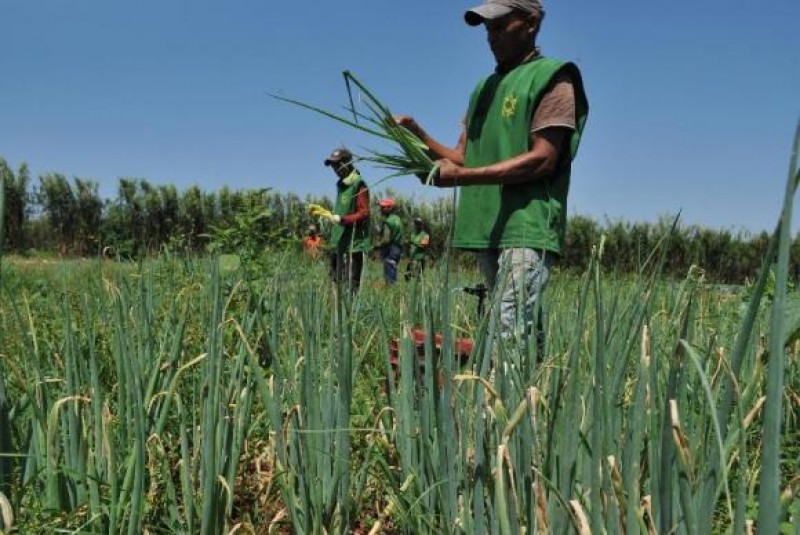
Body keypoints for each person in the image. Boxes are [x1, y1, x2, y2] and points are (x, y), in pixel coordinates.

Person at [395, 0, 589, 355]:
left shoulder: (554, 77)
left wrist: (462, 178)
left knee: (509, 327)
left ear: (531, 24)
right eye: (488, 29)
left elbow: (543, 160)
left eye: (501, 26)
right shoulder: (484, 88)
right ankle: (535, 396)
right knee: (517, 328)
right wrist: (416, 135)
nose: (491, 36)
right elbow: (463, 157)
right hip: (489, 226)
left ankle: (499, 409)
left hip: (527, 223)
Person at [319, 147, 371, 293]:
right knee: (336, 284)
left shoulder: (358, 184)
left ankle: (351, 315)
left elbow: (364, 213)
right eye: (333, 165)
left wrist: (342, 219)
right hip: (339, 242)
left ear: (348, 162)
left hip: (352, 244)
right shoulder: (342, 184)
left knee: (350, 288)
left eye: (338, 164)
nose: (335, 168)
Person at [375, 198, 404, 284]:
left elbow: (386, 239)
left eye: (383, 207)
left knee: (389, 272)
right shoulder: (397, 218)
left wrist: (377, 246)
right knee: (393, 267)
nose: (381, 209)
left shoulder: (387, 221)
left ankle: (391, 291)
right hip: (398, 248)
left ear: (390, 208)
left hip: (391, 248)